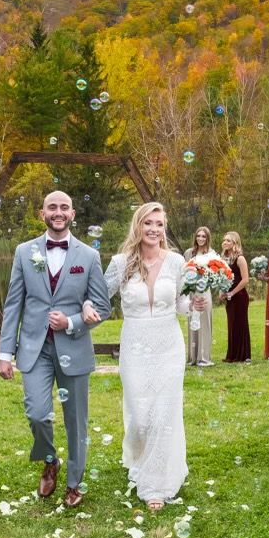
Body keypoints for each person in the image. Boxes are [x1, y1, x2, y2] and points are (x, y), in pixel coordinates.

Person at [0, 191, 111, 509]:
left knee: (76, 421)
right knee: (36, 413)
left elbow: (102, 305)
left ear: (72, 214)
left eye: (63, 207)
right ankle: (50, 461)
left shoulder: (88, 256)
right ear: (41, 213)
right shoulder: (24, 252)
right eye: (52, 207)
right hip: (34, 349)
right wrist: (5, 353)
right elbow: (14, 303)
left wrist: (73, 321)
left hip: (73, 348)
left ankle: (75, 483)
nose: (58, 212)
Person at [89, 202, 205, 511]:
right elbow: (99, 298)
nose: (154, 229)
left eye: (160, 224)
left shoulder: (178, 262)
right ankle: (140, 460)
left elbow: (181, 306)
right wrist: (85, 311)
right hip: (136, 345)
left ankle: (156, 485)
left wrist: (197, 302)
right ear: (138, 226)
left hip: (169, 344)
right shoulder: (120, 263)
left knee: (164, 414)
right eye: (148, 223)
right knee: (140, 416)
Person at [183, 226, 214, 366]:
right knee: (192, 322)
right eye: (198, 236)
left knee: (204, 322)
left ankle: (204, 357)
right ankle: (193, 357)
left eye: (203, 236)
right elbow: (183, 272)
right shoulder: (189, 253)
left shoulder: (212, 254)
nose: (200, 239)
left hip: (204, 290)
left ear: (207, 238)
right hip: (191, 290)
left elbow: (214, 274)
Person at [220, 231, 250, 363]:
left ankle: (242, 355)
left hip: (240, 296)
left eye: (228, 240)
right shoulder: (223, 258)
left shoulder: (240, 258)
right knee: (231, 324)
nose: (225, 242)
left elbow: (245, 280)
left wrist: (233, 292)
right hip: (229, 296)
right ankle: (231, 355)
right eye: (224, 240)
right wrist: (223, 291)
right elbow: (223, 278)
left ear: (235, 243)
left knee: (240, 324)